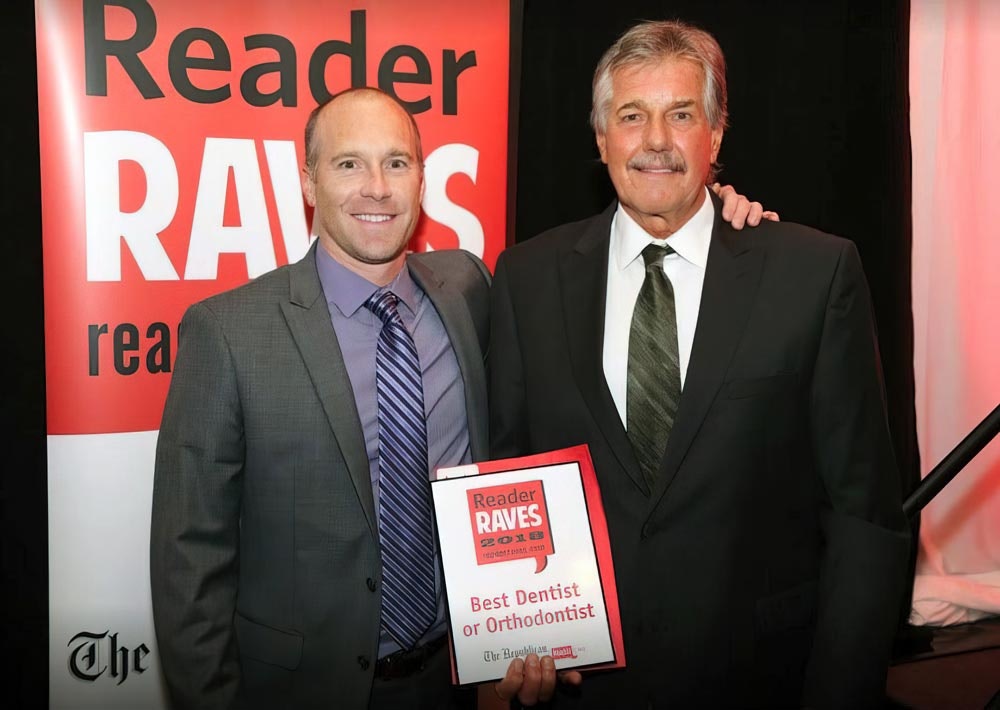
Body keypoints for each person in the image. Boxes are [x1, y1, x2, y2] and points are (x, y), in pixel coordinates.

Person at [150, 86, 768, 710]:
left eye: (396, 163)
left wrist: (709, 210)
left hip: (448, 684)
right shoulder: (228, 332)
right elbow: (189, 562)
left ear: (421, 180)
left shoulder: (468, 289)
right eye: (349, 164)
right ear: (309, 182)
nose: (377, 188)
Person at [489, 20, 910, 710]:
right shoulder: (526, 279)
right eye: (632, 116)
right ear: (601, 139)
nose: (656, 139)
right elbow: (509, 474)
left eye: (681, 115)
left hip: (763, 680)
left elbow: (863, 516)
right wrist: (516, 637)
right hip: (581, 689)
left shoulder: (813, 273)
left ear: (714, 136)